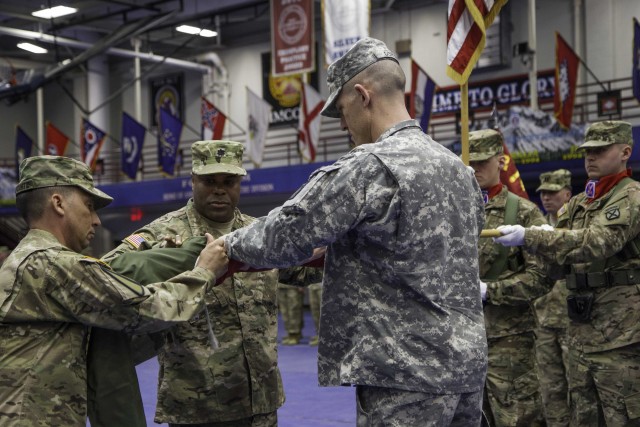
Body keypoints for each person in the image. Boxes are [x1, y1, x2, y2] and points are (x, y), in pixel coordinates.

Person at [220, 37, 488, 426]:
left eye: (342, 110)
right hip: (467, 371)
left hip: (405, 376)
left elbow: (286, 234)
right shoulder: (459, 171)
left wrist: (228, 244)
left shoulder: (371, 166)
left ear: (362, 95)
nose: (343, 124)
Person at [0, 155, 228, 427]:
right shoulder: (52, 264)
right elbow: (148, 310)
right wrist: (204, 272)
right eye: (89, 206)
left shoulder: (29, 258)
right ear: (58, 203)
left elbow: (104, 347)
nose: (96, 220)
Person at [103, 140, 283, 427]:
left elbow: (305, 268)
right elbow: (108, 270)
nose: (219, 189)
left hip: (260, 399)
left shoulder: (260, 233)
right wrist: (166, 258)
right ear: (193, 182)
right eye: (209, 181)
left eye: (229, 181)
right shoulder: (162, 232)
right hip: (196, 403)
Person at [494, 120, 640, 426]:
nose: (590, 157)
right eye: (588, 151)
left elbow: (598, 242)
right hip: (581, 334)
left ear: (626, 151)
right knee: (581, 416)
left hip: (621, 336)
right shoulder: (577, 204)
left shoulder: (631, 197)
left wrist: (531, 237)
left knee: (624, 416)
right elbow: (554, 265)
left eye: (600, 150)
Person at [467, 129, 551, 426]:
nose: (475, 169)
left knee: (517, 418)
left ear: (500, 161)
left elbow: (543, 276)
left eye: (482, 162)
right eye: (469, 162)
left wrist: (491, 291)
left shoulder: (523, 212)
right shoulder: (453, 212)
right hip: (462, 340)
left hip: (509, 342)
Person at [533, 169, 573, 427]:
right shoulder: (535, 226)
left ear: (567, 193)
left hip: (574, 321)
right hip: (544, 320)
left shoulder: (578, 225)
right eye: (544, 193)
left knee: (579, 388)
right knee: (550, 389)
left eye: (553, 192)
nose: (547, 198)